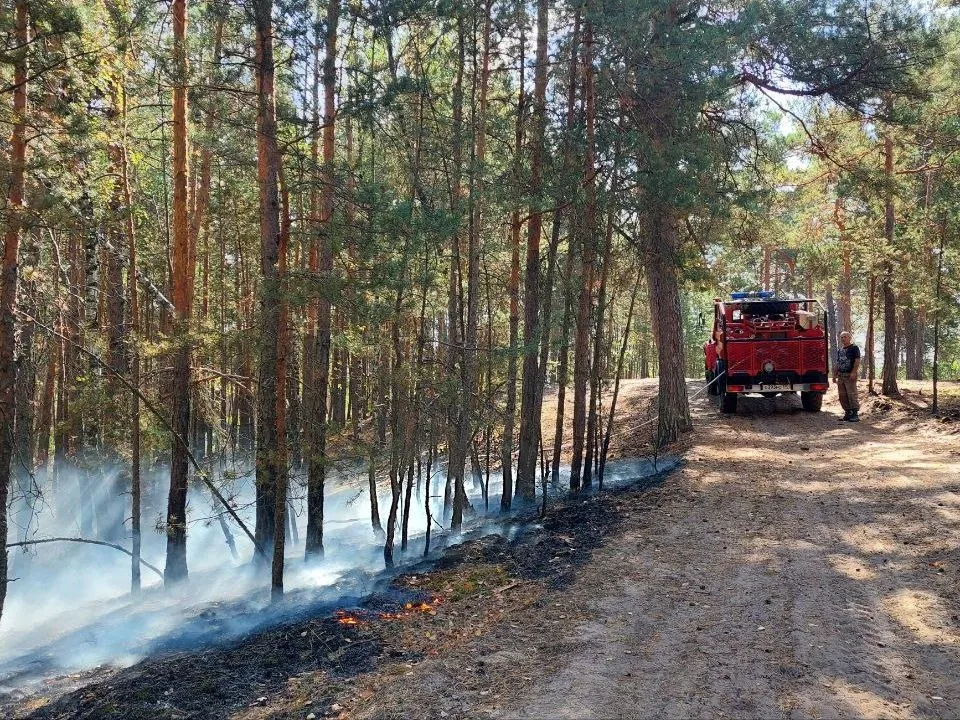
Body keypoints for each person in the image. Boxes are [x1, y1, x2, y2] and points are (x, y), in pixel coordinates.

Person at [834, 330, 861, 422]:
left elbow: (857, 361)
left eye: (845, 337)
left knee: (851, 394)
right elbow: (838, 363)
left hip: (849, 375)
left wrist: (854, 372)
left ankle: (855, 414)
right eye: (842, 337)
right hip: (841, 375)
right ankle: (847, 413)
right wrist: (834, 375)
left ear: (850, 338)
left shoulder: (854, 348)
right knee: (842, 395)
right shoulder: (840, 350)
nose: (843, 339)